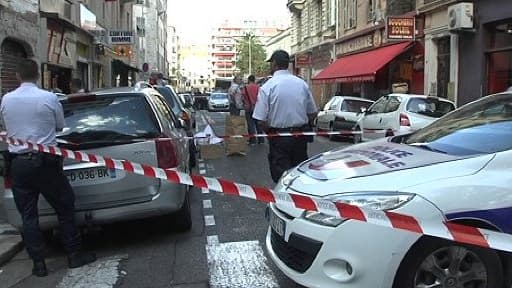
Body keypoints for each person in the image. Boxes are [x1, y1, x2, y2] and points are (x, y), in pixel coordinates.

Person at [0, 59, 96, 277]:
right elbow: (61, 125)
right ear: (37, 75)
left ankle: (39, 265)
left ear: (17, 76)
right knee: (64, 206)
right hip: (46, 162)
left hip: (19, 165)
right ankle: (73, 254)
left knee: (29, 216)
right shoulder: (48, 97)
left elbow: (7, 127)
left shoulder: (6, 99)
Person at [253, 50, 318, 183]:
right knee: (299, 176)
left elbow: (260, 120)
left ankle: (285, 202)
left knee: (282, 178)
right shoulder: (301, 84)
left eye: (271, 63)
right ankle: (300, 201)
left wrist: (270, 132)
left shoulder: (267, 87)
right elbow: (312, 113)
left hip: (278, 138)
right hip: (300, 137)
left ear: (275, 64)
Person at [242, 75, 264, 144]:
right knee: (258, 124)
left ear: (248, 80)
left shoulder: (245, 88)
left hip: (248, 108)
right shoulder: (258, 88)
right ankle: (261, 140)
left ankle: (253, 140)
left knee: (250, 125)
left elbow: (243, 97)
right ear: (254, 80)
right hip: (257, 108)